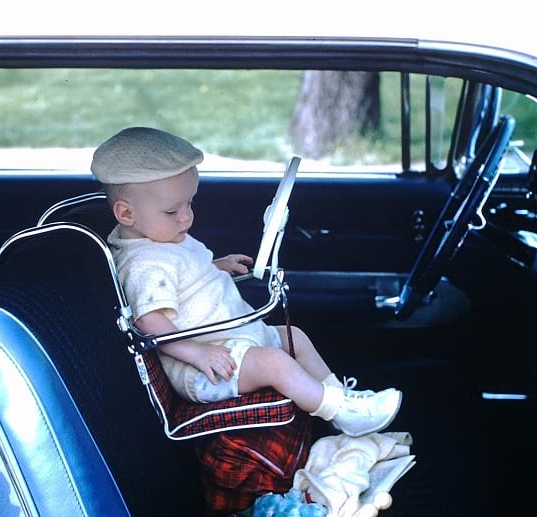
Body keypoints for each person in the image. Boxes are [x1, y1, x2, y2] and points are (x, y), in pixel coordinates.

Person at [91, 126, 402, 437]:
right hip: (205, 367)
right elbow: (149, 320)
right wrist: (198, 354)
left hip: (230, 340)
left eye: (190, 204)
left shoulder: (161, 236)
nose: (186, 217)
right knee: (275, 363)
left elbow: (181, 276)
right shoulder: (143, 263)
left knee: (294, 336)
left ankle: (341, 401)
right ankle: (338, 411)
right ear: (126, 214)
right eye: (172, 210)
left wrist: (215, 266)